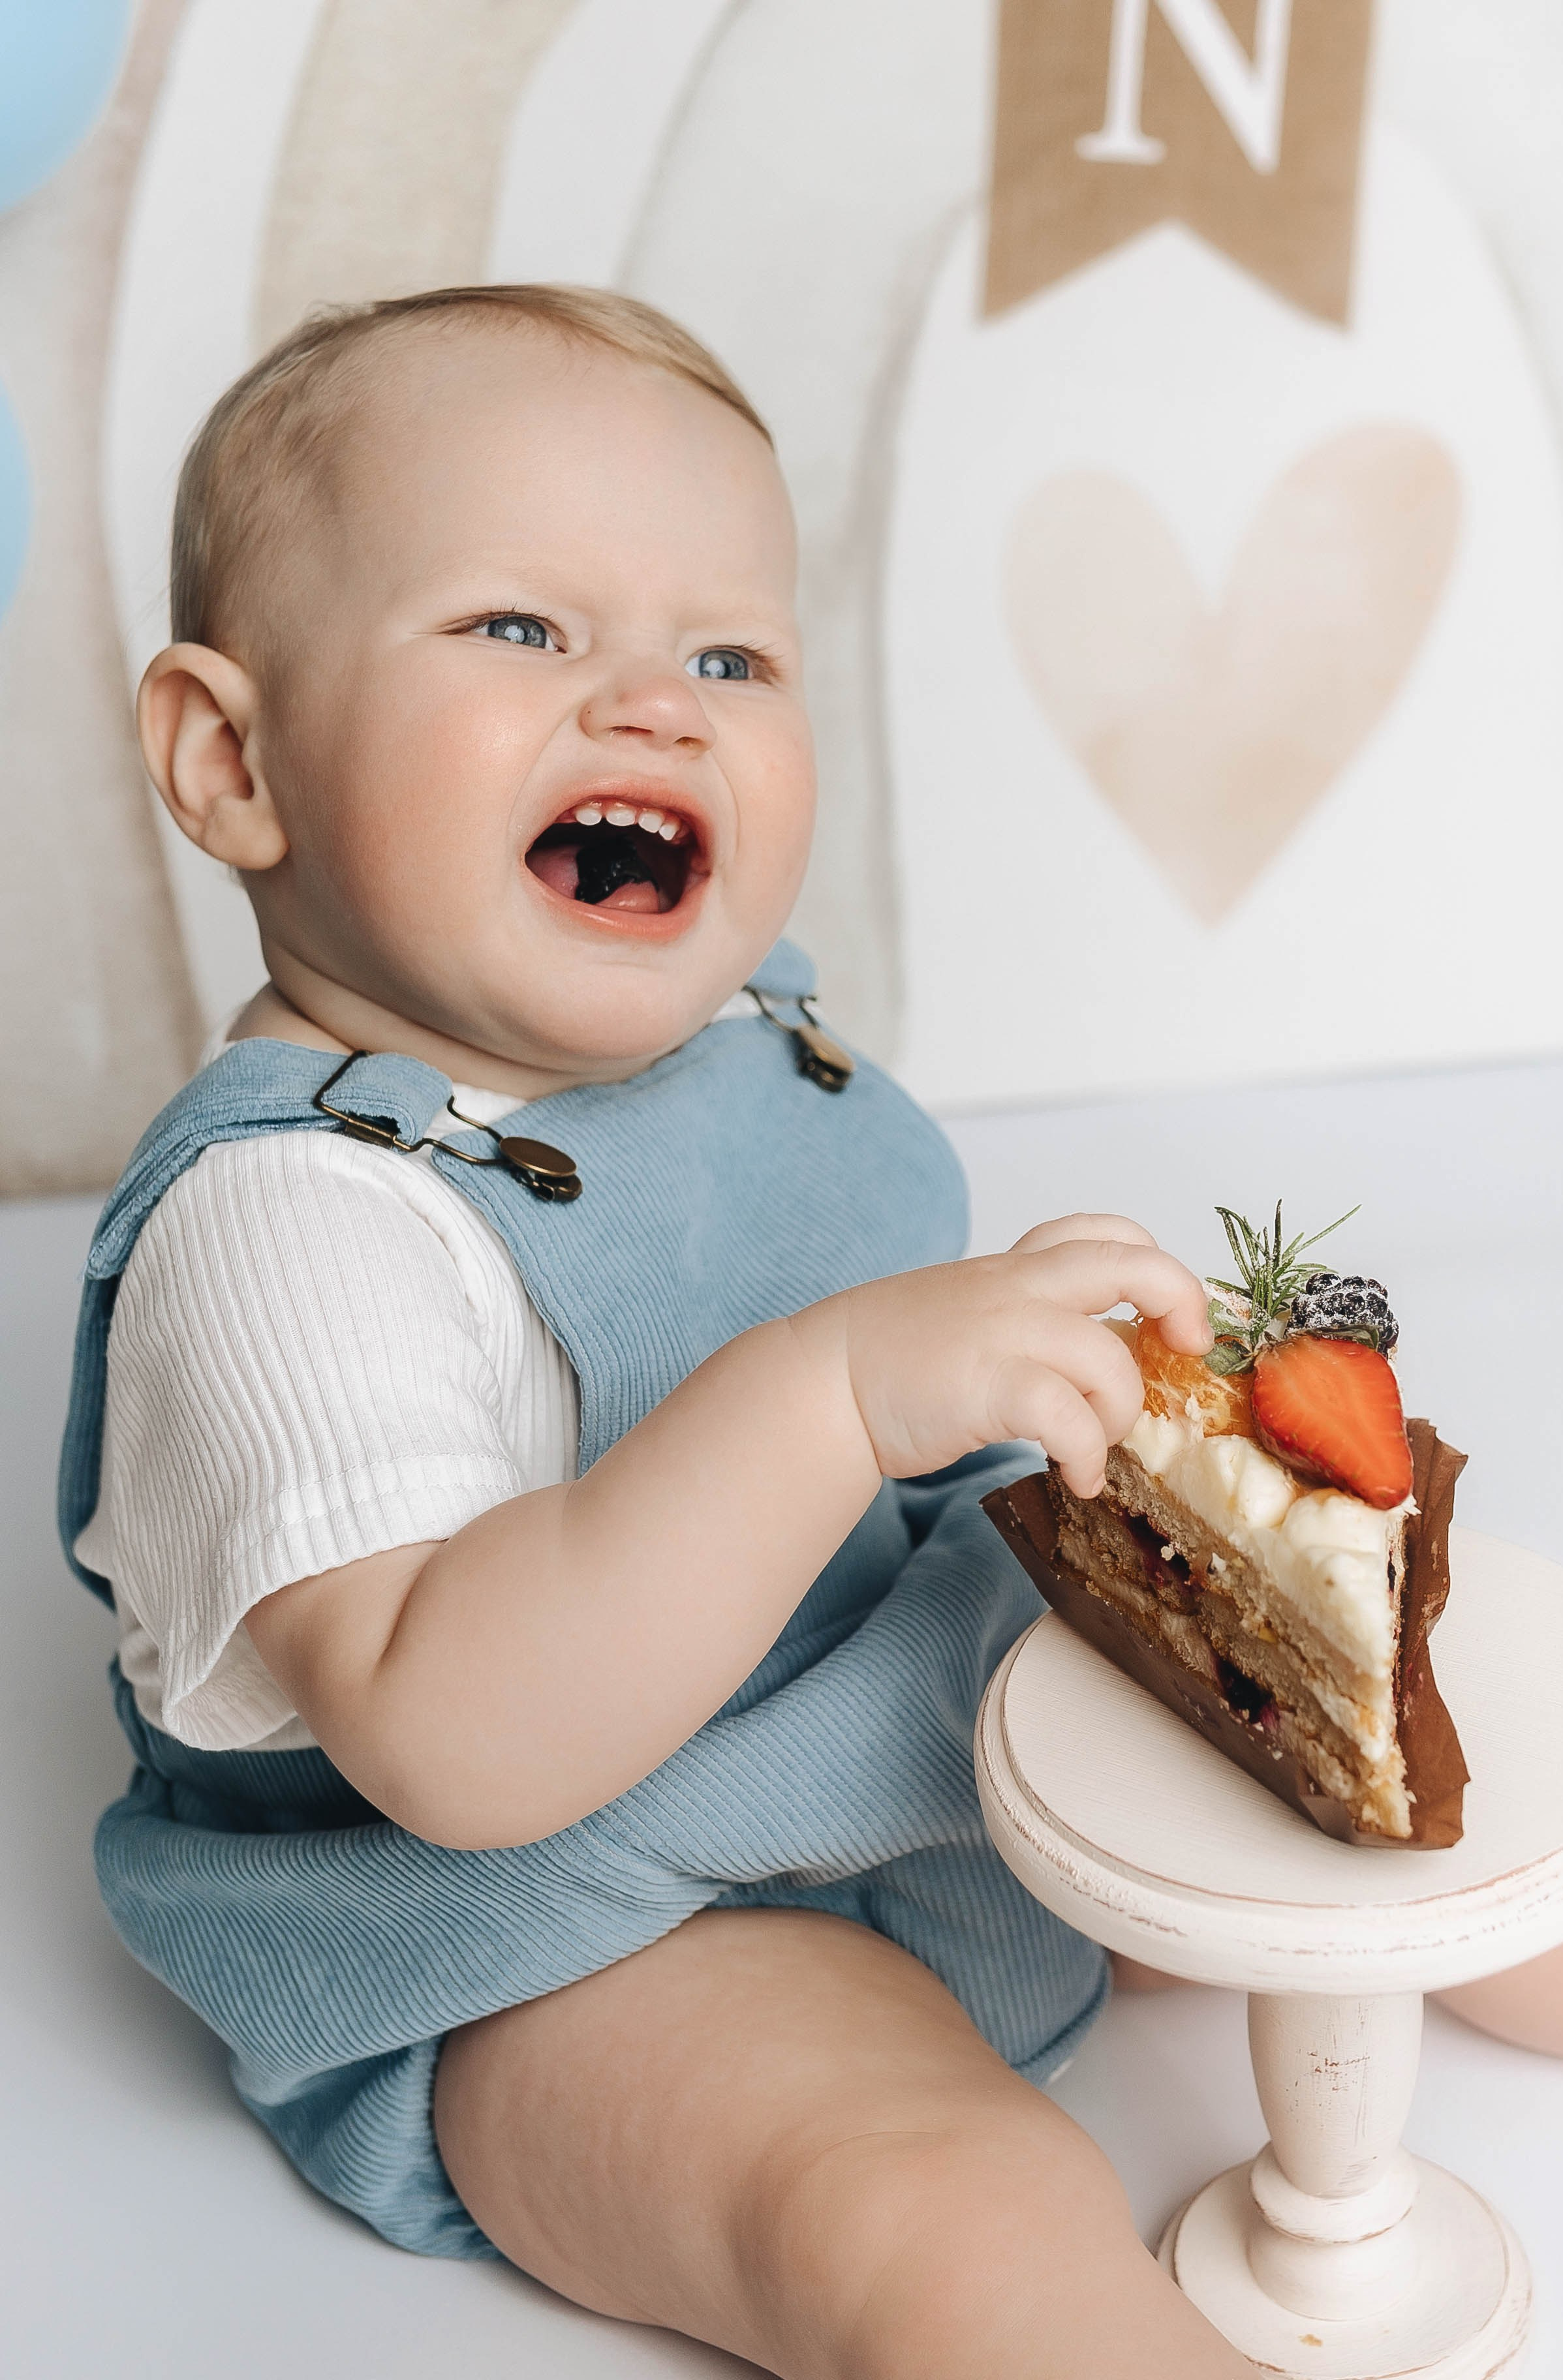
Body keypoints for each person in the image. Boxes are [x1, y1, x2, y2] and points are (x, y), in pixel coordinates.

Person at [61, 281, 1265, 2379]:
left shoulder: (748, 1038)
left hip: (897, 1738)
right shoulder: (293, 1225)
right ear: (231, 756)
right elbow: (454, 1742)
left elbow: (871, 1336)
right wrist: (844, 1390)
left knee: (1402, 1765)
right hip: (563, 1936)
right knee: (921, 2195)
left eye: (731, 654)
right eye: (524, 630)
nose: (658, 707)